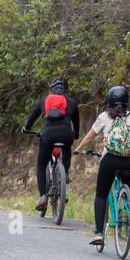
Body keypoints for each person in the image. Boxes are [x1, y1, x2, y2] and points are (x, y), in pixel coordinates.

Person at [75, 85, 130, 246]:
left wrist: (78, 150)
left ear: (109, 101)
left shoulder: (104, 117)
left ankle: (99, 233)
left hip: (110, 161)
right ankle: (127, 202)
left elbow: (89, 138)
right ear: (126, 102)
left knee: (101, 195)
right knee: (127, 172)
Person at [21, 77, 80, 215]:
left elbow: (32, 118)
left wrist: (26, 128)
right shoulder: (72, 102)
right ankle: (64, 174)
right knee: (67, 148)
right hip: (66, 135)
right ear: (66, 90)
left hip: (48, 135)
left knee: (41, 165)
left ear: (51, 89)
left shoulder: (44, 100)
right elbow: (76, 124)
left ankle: (42, 197)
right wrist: (76, 134)